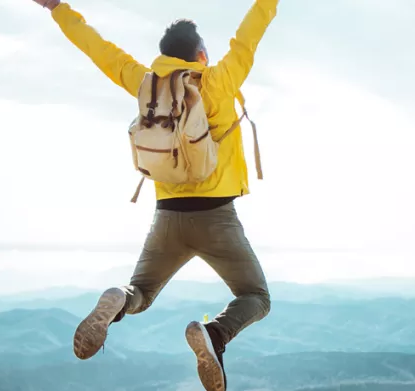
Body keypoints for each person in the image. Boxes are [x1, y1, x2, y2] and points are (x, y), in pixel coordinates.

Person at [31, 0, 278, 389]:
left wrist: (58, 8)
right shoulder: (218, 80)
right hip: (217, 218)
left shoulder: (146, 85)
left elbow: (99, 49)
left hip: (166, 217)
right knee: (256, 297)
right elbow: (250, 32)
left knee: (141, 292)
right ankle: (214, 334)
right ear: (201, 54)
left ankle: (120, 298)